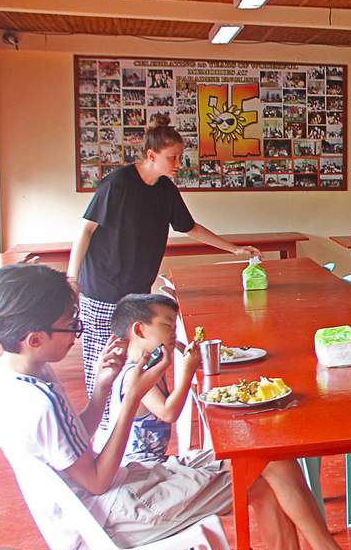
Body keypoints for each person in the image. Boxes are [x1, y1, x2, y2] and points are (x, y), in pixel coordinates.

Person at [0, 264, 351, 550]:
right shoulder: (38, 401)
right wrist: (127, 402)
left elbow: (75, 445)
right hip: (111, 515)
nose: (78, 335)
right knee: (264, 461)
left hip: (104, 498)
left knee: (261, 459)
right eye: (69, 327)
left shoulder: (12, 373)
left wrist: (103, 391)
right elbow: (96, 478)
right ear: (34, 338)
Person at [67, 115, 260, 396]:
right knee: (106, 366)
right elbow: (85, 230)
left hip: (136, 290)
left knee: (140, 361)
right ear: (151, 155)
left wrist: (234, 249)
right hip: (102, 288)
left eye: (180, 157)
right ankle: (105, 428)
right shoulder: (118, 183)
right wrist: (72, 280)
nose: (178, 165)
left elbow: (189, 226)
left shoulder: (165, 189)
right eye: (173, 158)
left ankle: (139, 424)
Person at [92, 293, 197, 461]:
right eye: (167, 326)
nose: (173, 333)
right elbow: (168, 413)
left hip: (153, 464)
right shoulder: (135, 374)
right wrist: (187, 373)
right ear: (139, 330)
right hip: (136, 469)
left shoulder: (151, 365)